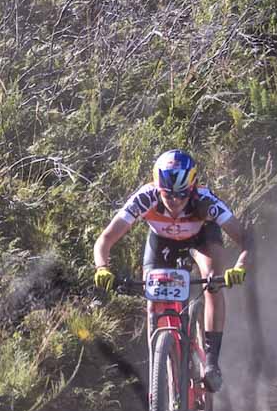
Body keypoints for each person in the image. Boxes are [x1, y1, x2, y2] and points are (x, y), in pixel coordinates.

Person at [90, 149, 253, 389]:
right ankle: (158, 370)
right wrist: (102, 268)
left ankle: (211, 363)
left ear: (193, 187)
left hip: (201, 240)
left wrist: (239, 267)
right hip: (162, 242)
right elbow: (104, 240)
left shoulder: (206, 201)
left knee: (212, 282)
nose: (175, 201)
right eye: (168, 195)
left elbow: (247, 241)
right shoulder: (145, 198)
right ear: (157, 187)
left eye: (182, 195)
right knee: (151, 296)